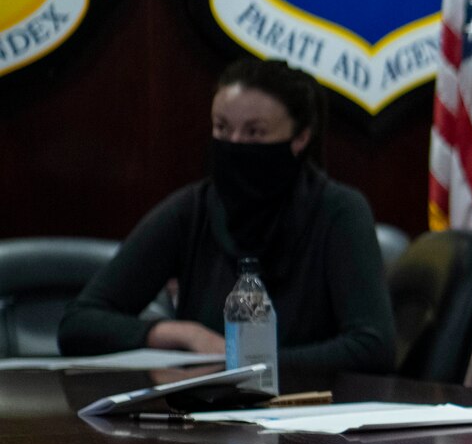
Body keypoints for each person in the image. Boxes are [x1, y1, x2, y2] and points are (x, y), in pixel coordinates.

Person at [60, 59, 395, 374]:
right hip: (208, 418)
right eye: (222, 128)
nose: (235, 145)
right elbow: (79, 323)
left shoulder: (339, 210)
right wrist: (181, 334)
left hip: (315, 416)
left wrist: (241, 364)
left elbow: (373, 347)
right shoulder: (193, 210)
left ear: (301, 137)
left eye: (254, 133)